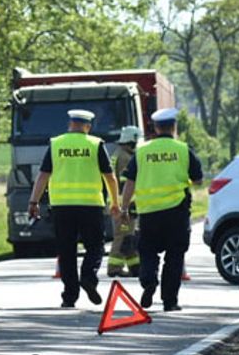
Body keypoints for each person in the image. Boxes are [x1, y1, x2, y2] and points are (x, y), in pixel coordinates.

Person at [27, 109, 120, 307]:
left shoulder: (56, 143)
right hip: (91, 205)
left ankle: (70, 296)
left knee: (66, 250)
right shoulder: (95, 144)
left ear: (70, 124)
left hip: (62, 206)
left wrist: (33, 202)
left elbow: (43, 175)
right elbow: (109, 176)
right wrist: (115, 203)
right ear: (88, 126)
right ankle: (88, 276)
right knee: (95, 246)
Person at [119, 108, 203, 311]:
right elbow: (199, 179)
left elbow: (130, 181)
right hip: (177, 212)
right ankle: (169, 301)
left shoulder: (142, 151)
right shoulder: (183, 149)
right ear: (173, 127)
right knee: (174, 256)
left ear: (156, 128)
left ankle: (148, 282)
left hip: (148, 212)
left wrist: (124, 208)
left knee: (147, 251)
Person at [106, 125, 142, 278]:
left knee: (128, 235)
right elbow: (127, 183)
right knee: (122, 235)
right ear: (131, 141)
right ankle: (114, 268)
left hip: (118, 202)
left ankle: (135, 266)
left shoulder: (118, 154)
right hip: (124, 203)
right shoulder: (126, 158)